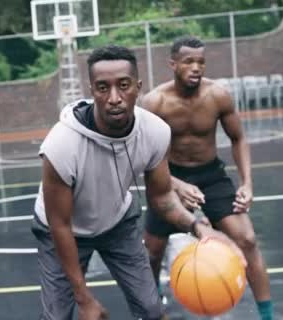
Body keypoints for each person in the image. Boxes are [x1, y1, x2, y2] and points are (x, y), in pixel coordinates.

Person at [32, 45, 243, 320]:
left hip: (117, 223)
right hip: (61, 230)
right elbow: (60, 224)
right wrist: (83, 298)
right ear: (92, 90)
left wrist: (199, 227)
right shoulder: (61, 144)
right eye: (103, 88)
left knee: (151, 310)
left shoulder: (155, 132)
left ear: (138, 87)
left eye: (123, 85)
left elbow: (162, 197)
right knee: (57, 317)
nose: (114, 98)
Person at [142, 36, 273, 320]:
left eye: (201, 61)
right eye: (189, 61)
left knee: (247, 239)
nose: (196, 67)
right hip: (169, 178)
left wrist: (247, 183)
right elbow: (144, 156)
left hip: (211, 175)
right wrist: (175, 184)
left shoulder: (218, 95)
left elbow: (238, 138)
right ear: (173, 64)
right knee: (151, 252)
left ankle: (268, 316)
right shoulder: (154, 102)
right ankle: (151, 313)